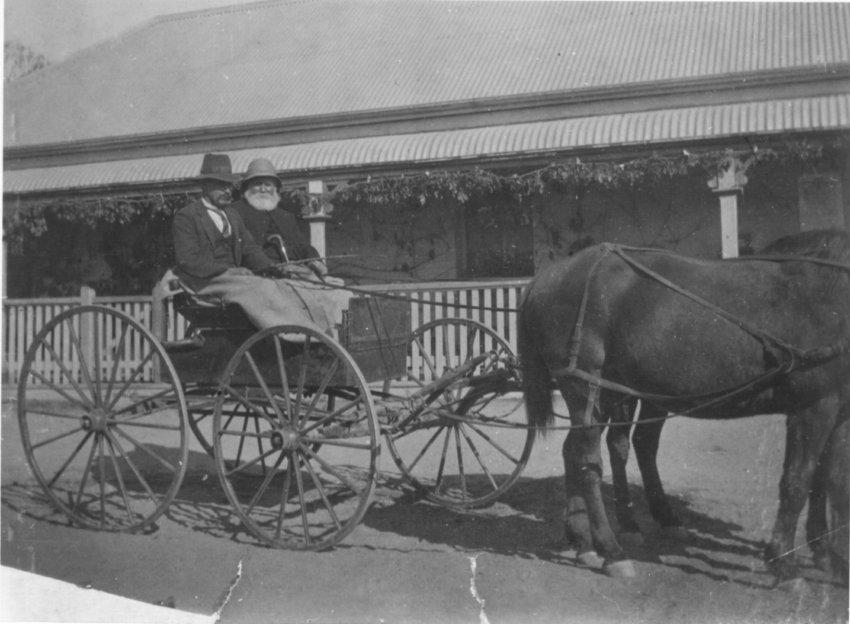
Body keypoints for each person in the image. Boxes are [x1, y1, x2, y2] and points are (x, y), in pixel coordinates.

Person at [172, 153, 348, 336]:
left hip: (234, 280)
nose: (227, 191)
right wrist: (228, 270)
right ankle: (290, 335)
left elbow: (251, 250)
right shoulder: (188, 216)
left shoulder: (232, 216)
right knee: (265, 288)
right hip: (205, 281)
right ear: (206, 186)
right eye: (220, 185)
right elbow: (188, 260)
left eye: (229, 185)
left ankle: (318, 330)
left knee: (284, 285)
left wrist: (277, 269)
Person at [231, 157, 327, 278]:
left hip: (295, 269)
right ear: (247, 187)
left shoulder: (286, 216)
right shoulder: (235, 211)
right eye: (257, 184)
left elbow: (303, 245)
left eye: (268, 184)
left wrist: (315, 260)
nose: (263, 189)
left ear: (275, 188)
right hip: (258, 272)